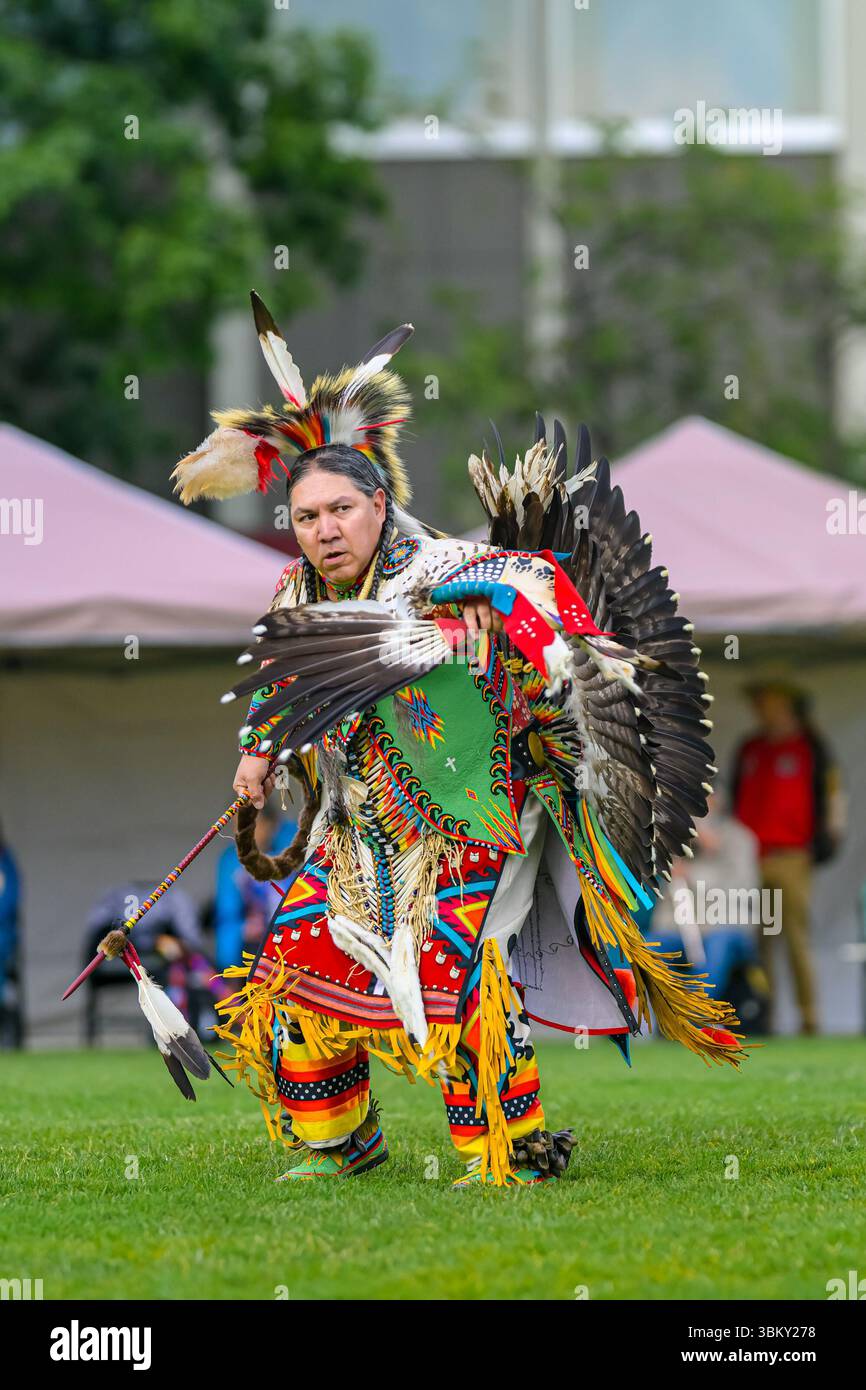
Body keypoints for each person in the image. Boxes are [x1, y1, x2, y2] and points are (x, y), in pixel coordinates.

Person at [170, 292, 747, 1188]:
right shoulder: (299, 592)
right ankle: (340, 1142)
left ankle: (512, 1145)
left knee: (454, 972)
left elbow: (540, 591)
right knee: (295, 961)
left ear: (377, 504)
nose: (321, 530)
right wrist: (259, 756)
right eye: (305, 516)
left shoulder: (446, 569)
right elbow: (282, 682)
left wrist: (483, 636)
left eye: (337, 512)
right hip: (360, 824)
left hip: (464, 815)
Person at [731, 678, 845, 1035]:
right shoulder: (750, 748)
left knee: (796, 937)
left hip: (793, 856)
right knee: (760, 939)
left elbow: (833, 800)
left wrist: (824, 845)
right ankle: (764, 1015)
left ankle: (809, 1018)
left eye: (768, 701)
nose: (761, 708)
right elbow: (734, 797)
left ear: (787, 705)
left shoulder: (811, 747)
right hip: (751, 858)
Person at [647, 793, 761, 1002]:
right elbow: (665, 901)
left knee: (717, 944)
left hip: (727, 926)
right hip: (682, 929)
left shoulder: (740, 839)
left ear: (717, 801)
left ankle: (694, 1014)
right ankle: (661, 1019)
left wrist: (696, 870)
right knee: (649, 946)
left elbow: (741, 887)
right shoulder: (676, 841)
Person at [213, 800, 298, 971]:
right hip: (248, 952)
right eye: (237, 827)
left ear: (271, 825)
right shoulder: (231, 860)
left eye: (248, 826)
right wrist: (228, 966)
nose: (240, 834)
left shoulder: (291, 851)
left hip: (290, 944)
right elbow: (226, 915)